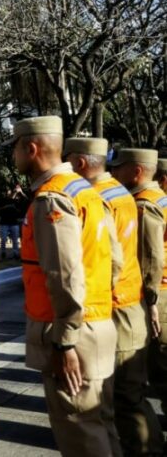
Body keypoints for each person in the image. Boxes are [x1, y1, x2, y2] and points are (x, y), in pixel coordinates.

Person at [8, 116, 117, 456]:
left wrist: (64, 342)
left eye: (15, 147)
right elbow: (114, 260)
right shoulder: (87, 191)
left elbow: (64, 276)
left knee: (79, 432)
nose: (14, 156)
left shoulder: (51, 199)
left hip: (73, 334)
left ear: (31, 147)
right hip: (96, 323)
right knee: (102, 426)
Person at [65, 138, 162, 456]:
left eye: (119, 165)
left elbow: (126, 259)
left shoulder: (104, 198)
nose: (115, 170)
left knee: (125, 396)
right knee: (131, 393)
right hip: (131, 301)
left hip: (121, 304)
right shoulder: (124, 195)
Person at [110, 148, 167, 417]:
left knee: (161, 371)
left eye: (118, 168)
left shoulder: (145, 205)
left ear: (136, 171)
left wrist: (151, 300)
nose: (114, 173)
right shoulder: (162, 198)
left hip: (159, 294)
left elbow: (150, 258)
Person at [0, 187, 23, 259]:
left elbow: (20, 210)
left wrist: (14, 208)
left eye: (8, 192)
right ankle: (3, 252)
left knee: (15, 239)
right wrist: (5, 207)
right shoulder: (1, 201)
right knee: (3, 239)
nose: (7, 194)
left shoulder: (15, 201)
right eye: (6, 192)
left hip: (14, 222)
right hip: (4, 222)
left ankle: (16, 253)